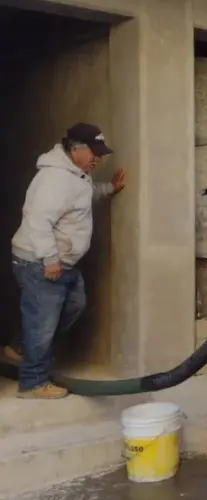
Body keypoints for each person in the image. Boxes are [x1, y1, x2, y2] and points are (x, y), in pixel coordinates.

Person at [10, 123, 125, 399]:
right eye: (94, 152)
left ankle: (23, 349)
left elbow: (81, 197)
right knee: (44, 322)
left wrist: (110, 188)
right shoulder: (56, 179)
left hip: (62, 263)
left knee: (73, 305)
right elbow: (38, 220)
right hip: (41, 263)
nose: (98, 158)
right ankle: (32, 383)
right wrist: (50, 259)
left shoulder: (77, 175)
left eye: (101, 153)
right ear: (75, 148)